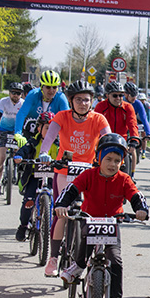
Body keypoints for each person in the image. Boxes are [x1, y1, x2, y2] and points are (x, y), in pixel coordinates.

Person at [54, 134, 149, 298]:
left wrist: (141, 210)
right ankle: (78, 267)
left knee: (116, 261)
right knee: (84, 246)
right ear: (99, 158)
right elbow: (71, 190)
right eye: (108, 159)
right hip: (89, 219)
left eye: (117, 160)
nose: (112, 164)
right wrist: (61, 204)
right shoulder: (88, 175)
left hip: (112, 223)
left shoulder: (123, 179)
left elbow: (136, 195)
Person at [38, 80, 111, 277]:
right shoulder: (62, 117)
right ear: (71, 101)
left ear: (92, 101)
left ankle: (94, 253)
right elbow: (49, 138)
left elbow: (107, 141)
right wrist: (44, 153)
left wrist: (112, 157)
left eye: (86, 100)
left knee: (94, 211)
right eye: (78, 99)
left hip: (89, 171)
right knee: (62, 211)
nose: (83, 103)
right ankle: (53, 258)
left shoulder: (99, 119)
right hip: (64, 170)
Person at [12, 112, 58, 241]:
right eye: (47, 128)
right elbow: (24, 149)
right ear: (39, 129)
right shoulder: (33, 142)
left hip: (51, 177)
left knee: (60, 202)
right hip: (34, 176)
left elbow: (67, 153)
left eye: (54, 129)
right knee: (29, 201)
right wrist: (19, 156)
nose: (51, 132)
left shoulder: (59, 143)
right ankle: (23, 226)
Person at [0, 82, 24, 195]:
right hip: (4, 131)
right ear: (9, 93)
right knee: (2, 156)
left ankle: (18, 176)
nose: (16, 95)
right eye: (13, 93)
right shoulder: (3, 101)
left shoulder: (23, 104)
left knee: (18, 156)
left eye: (18, 93)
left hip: (17, 132)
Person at [14, 70, 69, 135]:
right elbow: (22, 114)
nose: (51, 91)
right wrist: (18, 133)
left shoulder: (61, 98)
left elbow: (67, 118)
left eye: (54, 87)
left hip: (51, 134)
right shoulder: (33, 95)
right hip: (31, 131)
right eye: (48, 87)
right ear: (42, 87)